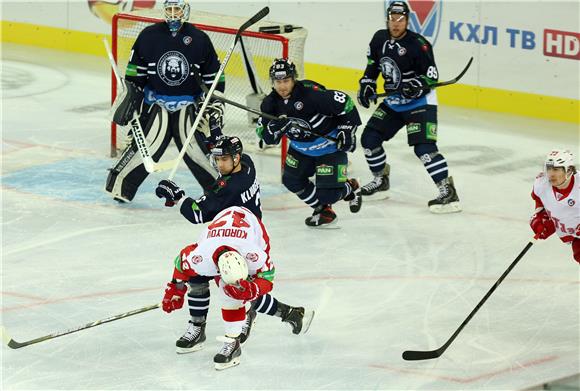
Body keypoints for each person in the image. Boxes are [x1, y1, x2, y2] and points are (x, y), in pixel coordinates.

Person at [161, 206, 315, 370]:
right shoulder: (199, 256)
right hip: (216, 242)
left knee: (237, 294)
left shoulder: (254, 254)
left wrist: (254, 288)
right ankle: (198, 327)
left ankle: (234, 343)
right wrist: (176, 290)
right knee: (197, 278)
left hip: (252, 230)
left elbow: (268, 277)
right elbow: (180, 263)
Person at [105, 0, 225, 203]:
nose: (173, 13)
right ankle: (121, 186)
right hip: (157, 103)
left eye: (176, 9)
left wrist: (214, 101)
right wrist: (132, 96)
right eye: (169, 9)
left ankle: (220, 191)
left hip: (188, 104)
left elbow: (214, 77)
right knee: (148, 146)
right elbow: (135, 72)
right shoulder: (149, 35)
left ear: (185, 10)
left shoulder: (199, 38)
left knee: (194, 148)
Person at [357, 1, 461, 214]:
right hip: (394, 102)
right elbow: (372, 65)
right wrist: (366, 84)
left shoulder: (419, 44)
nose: (396, 24)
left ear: (407, 20)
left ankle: (448, 191)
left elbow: (431, 76)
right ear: (387, 19)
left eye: (400, 20)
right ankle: (380, 181)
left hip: (420, 103)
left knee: (424, 148)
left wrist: (417, 85)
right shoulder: (379, 38)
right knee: (369, 139)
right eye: (392, 20)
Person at [257, 58, 363, 227]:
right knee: (291, 180)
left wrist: (346, 130)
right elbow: (264, 135)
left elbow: (346, 102)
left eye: (286, 81)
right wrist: (274, 129)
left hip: (329, 148)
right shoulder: (270, 104)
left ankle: (351, 187)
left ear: (294, 79)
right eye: (278, 82)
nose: (282, 86)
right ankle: (323, 211)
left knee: (330, 195)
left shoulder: (311, 94)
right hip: (300, 149)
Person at [155, 135, 262, 223]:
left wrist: (178, 196)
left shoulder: (228, 188)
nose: (220, 164)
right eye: (217, 159)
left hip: (239, 240)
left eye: (224, 159)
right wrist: (218, 138)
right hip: (255, 231)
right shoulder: (247, 163)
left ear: (236, 158)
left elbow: (197, 212)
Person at [530, 149, 579, 264]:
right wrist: (539, 218)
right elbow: (539, 200)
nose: (551, 174)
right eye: (549, 169)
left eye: (556, 169)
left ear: (569, 170)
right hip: (574, 236)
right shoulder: (541, 184)